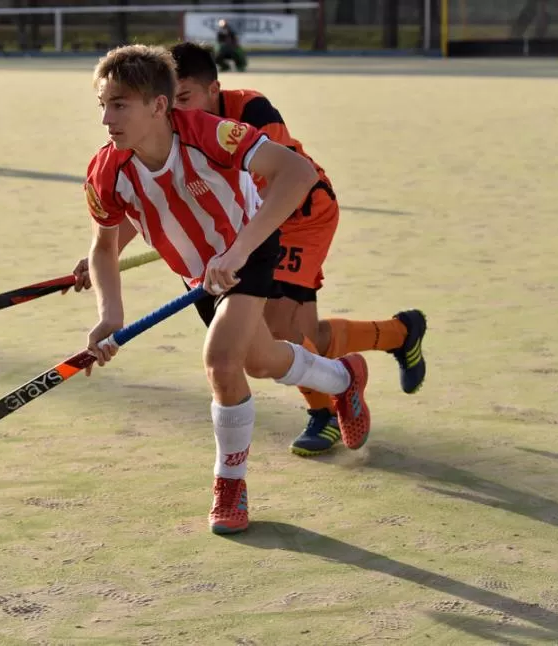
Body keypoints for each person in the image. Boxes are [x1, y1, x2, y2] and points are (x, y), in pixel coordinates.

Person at [70, 42, 427, 457]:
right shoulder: (132, 151)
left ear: (210, 91)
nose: (180, 110)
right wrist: (110, 255)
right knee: (264, 354)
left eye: (185, 100)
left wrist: (231, 248)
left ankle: (325, 412)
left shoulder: (241, 116)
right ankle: (391, 341)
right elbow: (166, 201)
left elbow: (270, 184)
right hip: (234, 235)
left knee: (276, 335)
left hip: (297, 215)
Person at [82, 44, 370, 535]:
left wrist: (236, 253)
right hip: (201, 276)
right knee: (258, 361)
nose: (108, 119)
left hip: (249, 249)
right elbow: (103, 250)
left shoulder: (210, 134)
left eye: (120, 105)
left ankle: (229, 485)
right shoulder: (107, 173)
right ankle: (344, 379)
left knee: (220, 362)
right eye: (104, 105)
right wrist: (111, 315)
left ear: (158, 105)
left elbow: (297, 174)